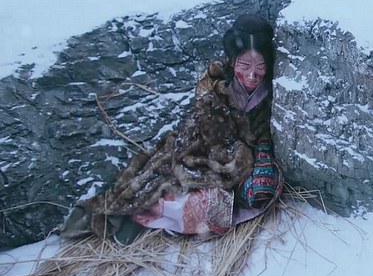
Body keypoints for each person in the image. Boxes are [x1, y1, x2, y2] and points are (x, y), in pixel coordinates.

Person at [62, 14, 283, 244]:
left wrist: (257, 155)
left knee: (241, 195)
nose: (252, 75)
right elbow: (207, 134)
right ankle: (137, 218)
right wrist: (224, 155)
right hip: (204, 150)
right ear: (232, 62)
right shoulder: (215, 89)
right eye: (245, 65)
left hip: (240, 163)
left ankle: (164, 220)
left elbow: (262, 134)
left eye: (260, 66)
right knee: (162, 184)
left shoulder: (271, 93)